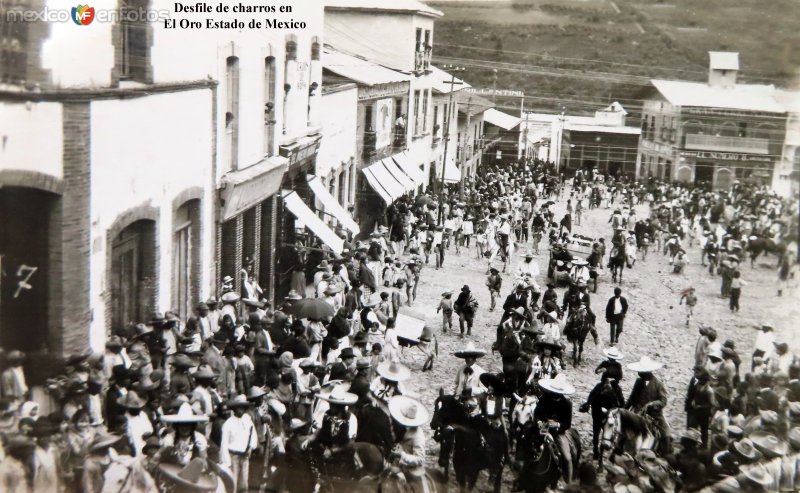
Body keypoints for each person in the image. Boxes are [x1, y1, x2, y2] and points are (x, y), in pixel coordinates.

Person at [534, 373, 576, 482]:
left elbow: (567, 424)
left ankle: (568, 480)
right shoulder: (545, 397)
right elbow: (536, 413)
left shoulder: (567, 404)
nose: (554, 394)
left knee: (567, 457)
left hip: (558, 432)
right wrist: (539, 422)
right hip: (543, 428)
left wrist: (557, 425)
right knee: (529, 445)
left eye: (557, 393)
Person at [625, 356, 670, 454]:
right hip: (638, 412)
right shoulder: (638, 382)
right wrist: (624, 409)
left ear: (648, 372)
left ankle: (665, 452)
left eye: (641, 371)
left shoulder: (658, 384)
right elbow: (632, 398)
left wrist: (652, 404)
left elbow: (663, 400)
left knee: (665, 432)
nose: (639, 373)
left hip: (654, 414)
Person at [388, 395, 432, 493]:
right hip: (395, 466)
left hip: (411, 471)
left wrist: (402, 455)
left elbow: (420, 459)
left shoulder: (417, 435)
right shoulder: (398, 427)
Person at [219, 394, 258, 492]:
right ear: (234, 409)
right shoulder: (228, 423)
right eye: (238, 408)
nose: (241, 410)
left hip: (244, 456)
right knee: (233, 482)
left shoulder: (247, 420)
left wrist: (251, 447)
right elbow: (224, 444)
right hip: (233, 456)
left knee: (244, 482)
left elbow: (253, 435)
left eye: (243, 408)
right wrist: (226, 461)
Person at [580, 377, 624, 460]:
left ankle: (599, 451)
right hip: (598, 414)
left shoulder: (615, 389)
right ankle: (596, 450)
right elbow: (591, 398)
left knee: (603, 434)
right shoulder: (600, 388)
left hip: (606, 415)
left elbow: (620, 403)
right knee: (597, 434)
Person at [453, 343, 487, 411]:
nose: (468, 359)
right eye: (466, 357)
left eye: (470, 357)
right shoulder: (461, 369)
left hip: (473, 404)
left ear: (474, 358)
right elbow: (456, 384)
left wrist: (472, 390)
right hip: (459, 402)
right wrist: (454, 395)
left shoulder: (481, 372)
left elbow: (484, 390)